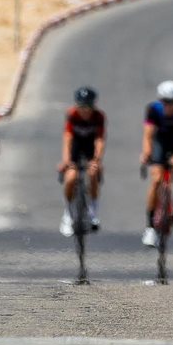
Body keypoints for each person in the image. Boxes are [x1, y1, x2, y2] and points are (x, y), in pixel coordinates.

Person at [140, 80, 173, 247]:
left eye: (172, 103)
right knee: (156, 180)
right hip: (160, 143)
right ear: (160, 100)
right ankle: (149, 226)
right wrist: (146, 153)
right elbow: (148, 135)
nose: (168, 106)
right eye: (165, 102)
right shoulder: (153, 109)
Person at [59, 86, 105, 235]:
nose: (85, 111)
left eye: (88, 107)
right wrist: (66, 160)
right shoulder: (72, 114)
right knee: (71, 177)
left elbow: (99, 139)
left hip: (90, 146)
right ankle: (68, 215)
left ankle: (93, 213)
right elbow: (68, 137)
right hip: (76, 146)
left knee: (92, 174)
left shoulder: (99, 116)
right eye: (82, 107)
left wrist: (97, 160)